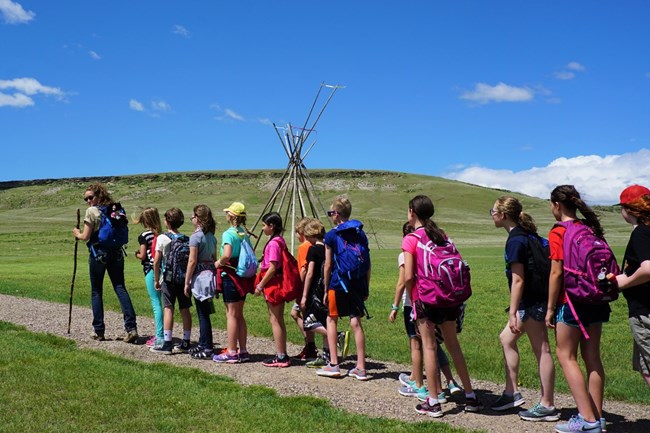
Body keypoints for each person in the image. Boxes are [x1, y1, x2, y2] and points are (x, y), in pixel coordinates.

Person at [403, 195, 482, 417]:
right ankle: (470, 396)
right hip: (449, 297)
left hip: (426, 299)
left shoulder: (411, 239)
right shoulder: (441, 235)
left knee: (429, 347)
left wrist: (413, 297)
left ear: (412, 212)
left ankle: (434, 401)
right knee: (453, 345)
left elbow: (409, 276)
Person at [545, 185, 609, 433]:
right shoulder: (589, 227)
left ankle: (587, 419)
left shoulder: (559, 231)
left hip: (570, 301)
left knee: (566, 355)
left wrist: (550, 308)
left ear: (557, 205)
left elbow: (556, 272)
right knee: (592, 358)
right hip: (596, 297)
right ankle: (598, 417)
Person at [490, 196, 558, 421]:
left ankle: (547, 405)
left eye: (493, 211)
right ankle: (511, 392)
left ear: (503, 215)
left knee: (542, 351)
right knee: (506, 339)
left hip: (530, 304)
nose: (491, 215)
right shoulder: (530, 236)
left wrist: (513, 311)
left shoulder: (516, 240)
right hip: (535, 301)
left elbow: (518, 279)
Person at [390, 223, 462, 402]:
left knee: (419, 345)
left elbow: (403, 281)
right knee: (435, 344)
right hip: (437, 298)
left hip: (415, 303)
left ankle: (421, 386)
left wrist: (395, 306)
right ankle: (450, 382)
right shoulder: (429, 247)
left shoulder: (407, 252)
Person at [72, 183, 138, 342]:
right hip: (116, 253)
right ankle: (131, 328)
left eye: (90, 197)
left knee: (96, 291)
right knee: (120, 287)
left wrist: (77, 233)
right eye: (86, 199)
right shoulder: (115, 209)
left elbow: (85, 236)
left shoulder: (92, 211)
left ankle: (99, 330)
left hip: (99, 254)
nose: (88, 201)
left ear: (98, 195)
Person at [317, 196, 370, 380]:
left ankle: (333, 364)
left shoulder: (331, 235)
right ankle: (361, 368)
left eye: (331, 212)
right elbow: (367, 263)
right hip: (356, 282)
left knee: (331, 319)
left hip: (338, 283)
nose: (331, 215)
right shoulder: (360, 233)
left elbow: (328, 264)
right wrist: (366, 287)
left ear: (337, 214)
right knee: (356, 322)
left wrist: (325, 288)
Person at [608, 185, 650, 387]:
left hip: (645, 311)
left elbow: (648, 269)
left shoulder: (641, 233)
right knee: (645, 367)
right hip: (642, 309)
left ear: (628, 209)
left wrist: (623, 281)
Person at [213, 202, 254, 364]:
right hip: (242, 276)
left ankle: (231, 351)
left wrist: (218, 263)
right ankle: (242, 350)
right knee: (239, 314)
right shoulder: (244, 233)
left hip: (230, 275)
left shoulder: (228, 234)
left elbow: (227, 254)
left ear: (231, 216)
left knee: (231, 314)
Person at [151, 208, 192, 355]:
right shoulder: (187, 239)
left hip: (168, 278)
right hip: (183, 278)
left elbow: (157, 260)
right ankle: (186, 341)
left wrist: (156, 279)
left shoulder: (163, 238)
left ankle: (167, 343)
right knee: (185, 309)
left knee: (168, 308)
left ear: (167, 222)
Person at [255, 212, 291, 367]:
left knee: (275, 319)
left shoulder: (274, 244)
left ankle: (281, 355)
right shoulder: (279, 240)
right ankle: (281, 353)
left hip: (273, 284)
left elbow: (272, 267)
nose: (263, 228)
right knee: (277, 318)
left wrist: (260, 284)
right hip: (275, 282)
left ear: (272, 226)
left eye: (264, 225)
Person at [185, 205, 218, 360]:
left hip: (199, 278)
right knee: (204, 312)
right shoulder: (211, 236)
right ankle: (203, 342)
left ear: (197, 218)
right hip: (210, 275)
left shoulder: (196, 237)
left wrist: (186, 282)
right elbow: (213, 257)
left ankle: (207, 346)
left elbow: (192, 261)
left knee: (202, 314)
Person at [301, 218, 332, 368]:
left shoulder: (313, 250)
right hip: (327, 288)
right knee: (325, 320)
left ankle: (336, 335)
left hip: (315, 291)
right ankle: (327, 355)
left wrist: (304, 295)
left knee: (308, 322)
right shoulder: (328, 248)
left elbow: (310, 273)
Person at [133, 207, 164, 348]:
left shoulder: (144, 236)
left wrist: (136, 255)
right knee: (162, 303)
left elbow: (143, 255)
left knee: (155, 303)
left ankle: (160, 335)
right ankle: (162, 333)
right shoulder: (160, 234)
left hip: (150, 269)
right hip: (162, 269)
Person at [291, 217, 319, 360]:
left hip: (304, 288)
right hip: (315, 287)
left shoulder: (303, 247)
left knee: (300, 315)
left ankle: (310, 345)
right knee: (304, 315)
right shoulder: (316, 245)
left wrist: (299, 288)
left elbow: (303, 270)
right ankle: (310, 345)